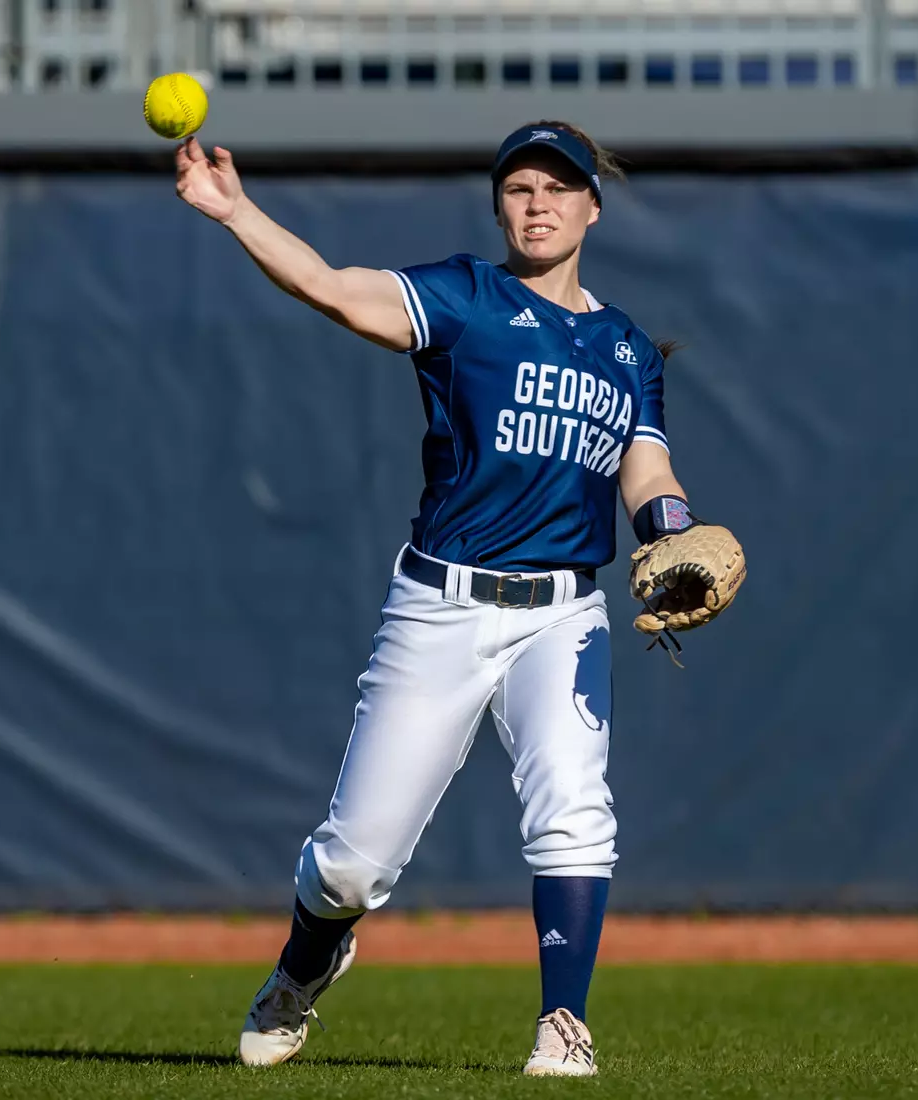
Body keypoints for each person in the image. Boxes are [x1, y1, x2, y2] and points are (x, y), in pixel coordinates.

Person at [173, 120, 710, 1077]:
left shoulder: (627, 351)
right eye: (519, 189)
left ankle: (563, 1025)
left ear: (593, 206)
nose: (538, 203)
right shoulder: (466, 298)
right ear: (500, 207)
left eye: (558, 188)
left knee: (576, 811)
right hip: (443, 604)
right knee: (351, 864)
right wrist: (236, 212)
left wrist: (671, 532)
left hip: (563, 610)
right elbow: (332, 289)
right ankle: (308, 961)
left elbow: (645, 463)